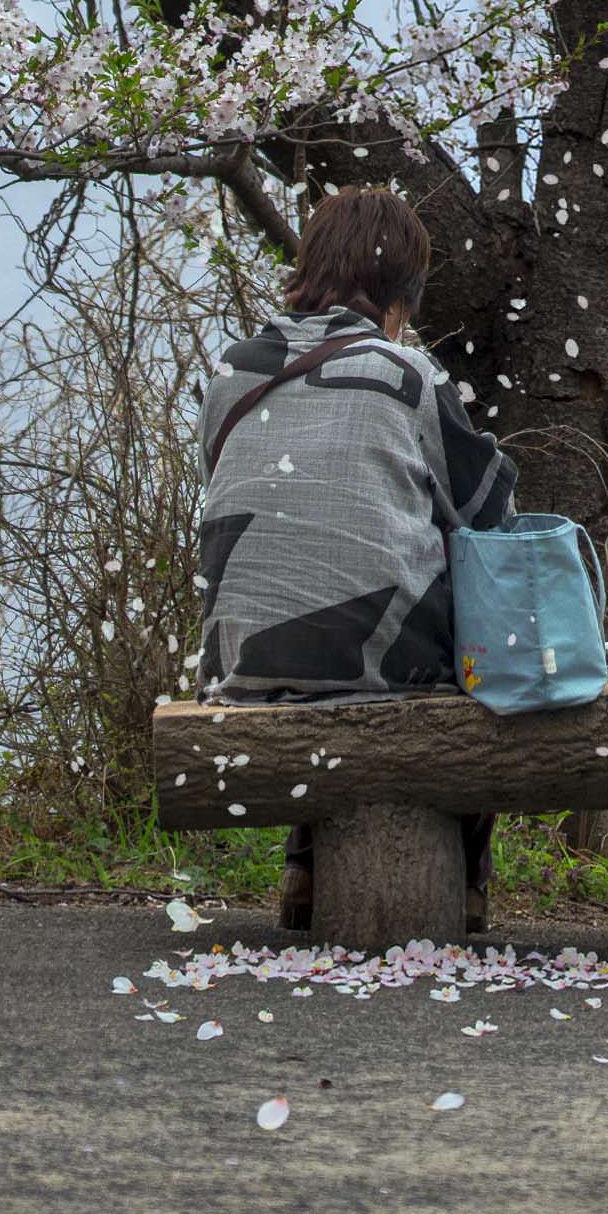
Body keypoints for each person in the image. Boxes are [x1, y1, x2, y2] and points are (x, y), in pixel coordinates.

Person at [195, 183, 516, 934]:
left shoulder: (232, 371)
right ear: (401, 292)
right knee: (471, 630)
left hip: (237, 665)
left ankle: (306, 863)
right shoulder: (409, 375)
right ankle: (467, 878)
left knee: (322, 600)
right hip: (377, 672)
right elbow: (489, 516)